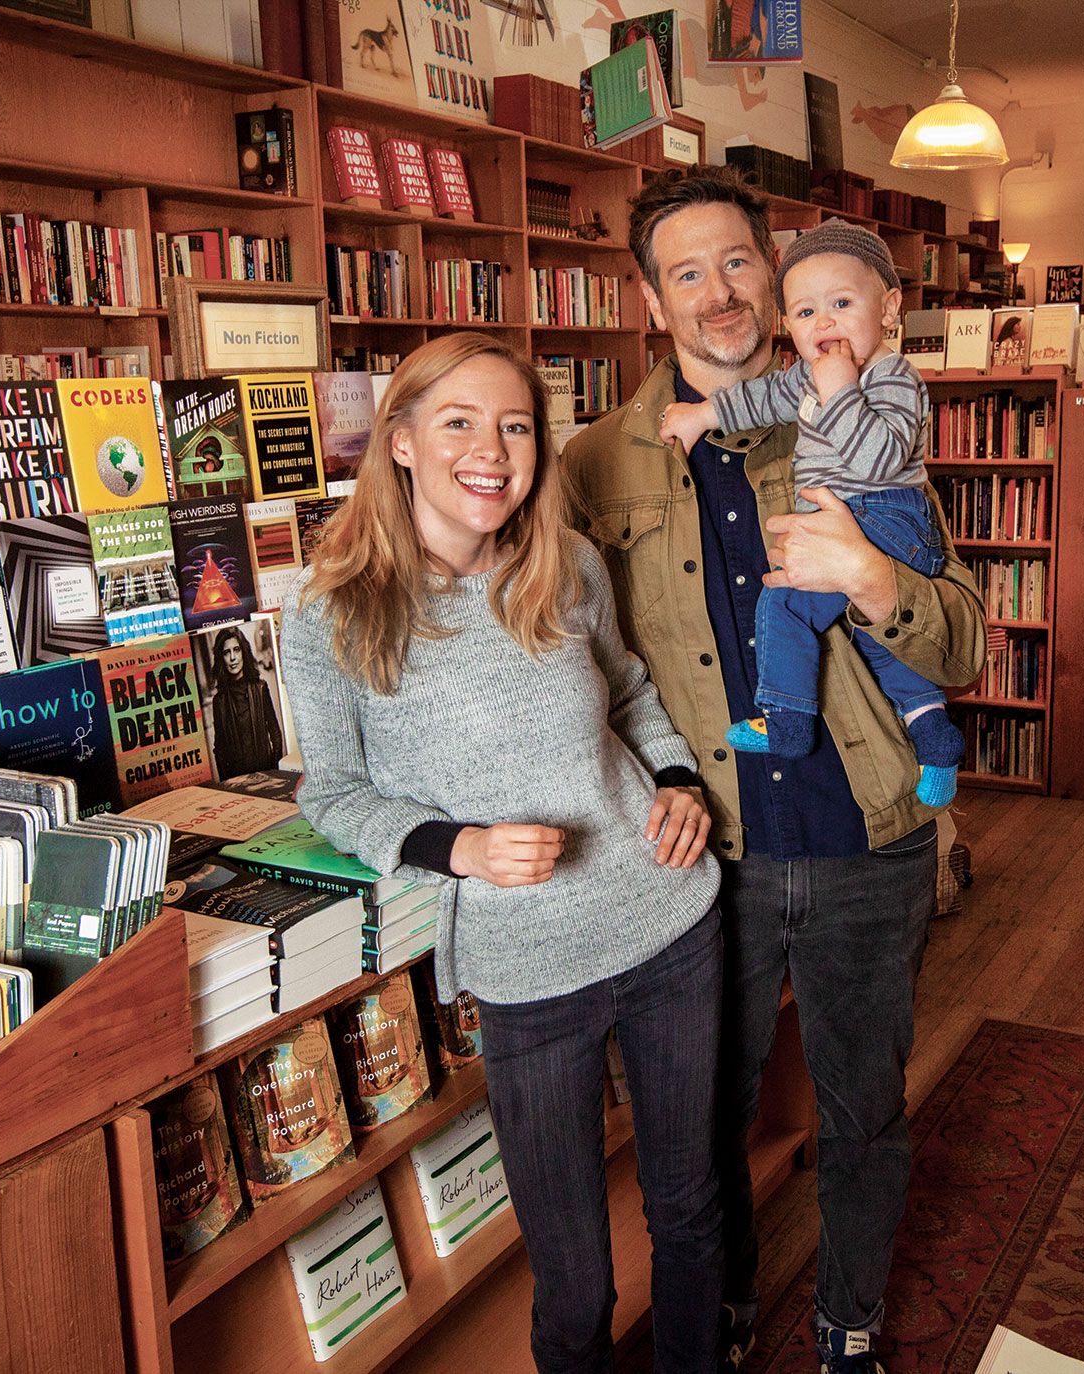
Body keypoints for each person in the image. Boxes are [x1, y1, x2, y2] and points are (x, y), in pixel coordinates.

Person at [563, 167, 989, 1373]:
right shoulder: (596, 466)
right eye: (685, 272)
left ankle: (846, 1320)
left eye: (737, 263)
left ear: (779, 272)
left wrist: (873, 581)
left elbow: (960, 640)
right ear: (652, 299)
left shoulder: (860, 419)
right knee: (701, 1123)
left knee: (864, 1111)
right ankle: (724, 1303)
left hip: (869, 837)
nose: (717, 294)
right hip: (707, 864)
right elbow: (571, 664)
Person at [280, 333, 725, 1373]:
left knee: (691, 1208)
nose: (492, 450)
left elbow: (628, 693)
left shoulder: (564, 564)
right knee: (572, 1274)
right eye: (459, 423)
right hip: (527, 971)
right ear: (397, 442)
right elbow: (334, 793)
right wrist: (457, 847)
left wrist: (676, 781)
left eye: (515, 426)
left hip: (666, 918)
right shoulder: (331, 610)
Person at [658, 219, 964, 807]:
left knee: (782, 604)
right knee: (878, 642)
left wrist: (840, 388)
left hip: (886, 516)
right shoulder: (804, 376)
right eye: (803, 313)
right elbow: (759, 399)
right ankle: (935, 735)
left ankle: (787, 719)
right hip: (845, 517)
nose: (823, 323)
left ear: (889, 308)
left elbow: (879, 458)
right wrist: (701, 417)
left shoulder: (891, 376)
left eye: (842, 303)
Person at [204, 623, 285, 778]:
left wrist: (275, 772)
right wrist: (227, 784)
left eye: (236, 650)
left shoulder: (260, 688)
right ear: (221, 658)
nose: (233, 658)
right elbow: (219, 750)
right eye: (226, 652)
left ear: (244, 652)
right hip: (237, 780)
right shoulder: (219, 701)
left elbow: (275, 732)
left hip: (266, 773)